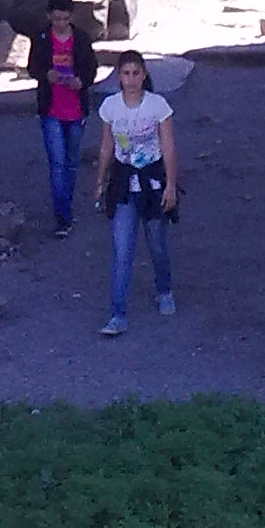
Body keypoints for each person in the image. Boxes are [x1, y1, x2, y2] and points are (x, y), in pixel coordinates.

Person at [93, 51, 178, 335]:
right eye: (126, 74)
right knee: (122, 250)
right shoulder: (110, 107)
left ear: (144, 75)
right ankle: (117, 314)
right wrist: (100, 181)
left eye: (135, 73)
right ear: (119, 76)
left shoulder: (158, 106)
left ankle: (164, 289)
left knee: (157, 244)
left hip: (152, 180)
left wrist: (171, 185)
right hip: (124, 182)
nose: (131, 80)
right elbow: (106, 146)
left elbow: (168, 147)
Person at [26, 0, 99, 237]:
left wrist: (82, 81)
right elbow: (32, 67)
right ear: (49, 16)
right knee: (57, 163)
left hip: (76, 108)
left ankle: (65, 203)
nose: (60, 23)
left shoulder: (81, 39)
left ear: (71, 17)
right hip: (51, 109)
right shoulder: (42, 38)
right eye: (57, 18)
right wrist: (46, 74)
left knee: (71, 162)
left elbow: (91, 68)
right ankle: (63, 216)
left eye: (65, 18)